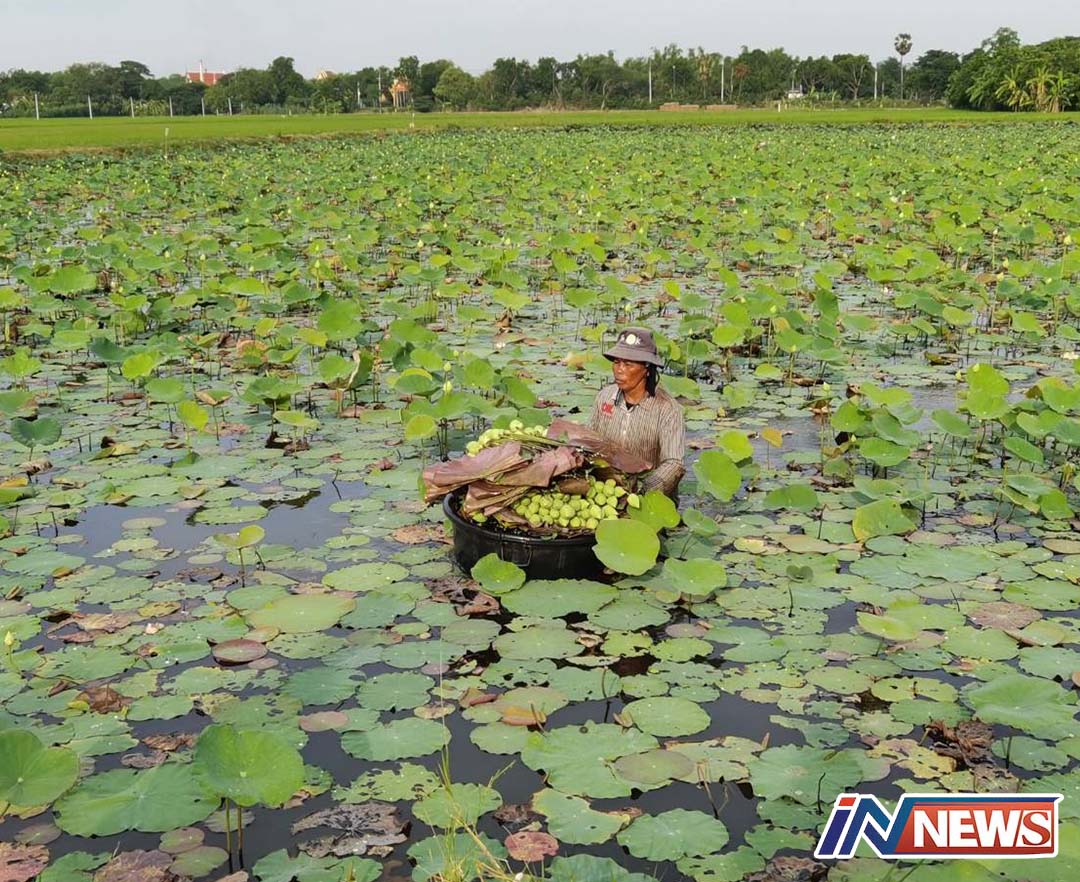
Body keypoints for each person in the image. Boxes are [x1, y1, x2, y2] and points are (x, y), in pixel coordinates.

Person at [586, 327, 686, 502]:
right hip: (608, 492)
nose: (619, 370)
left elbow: (674, 464)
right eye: (616, 362)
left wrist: (642, 491)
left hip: (650, 497)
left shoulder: (667, 409)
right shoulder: (604, 398)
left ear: (647, 368)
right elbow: (590, 440)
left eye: (628, 364)